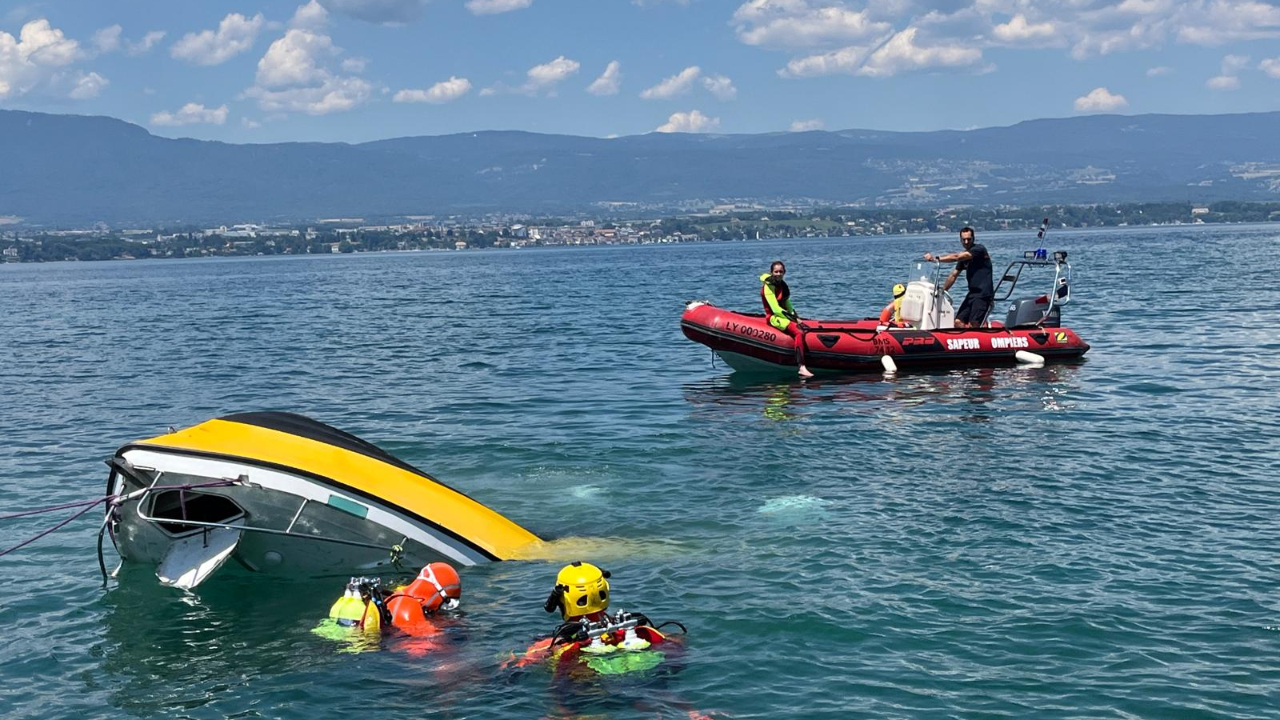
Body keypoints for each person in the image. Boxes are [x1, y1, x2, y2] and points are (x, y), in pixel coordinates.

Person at [507, 561, 683, 676]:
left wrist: (509, 660)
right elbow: (675, 641)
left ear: (560, 600)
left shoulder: (553, 645)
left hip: (588, 685)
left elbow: (523, 663)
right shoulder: (630, 628)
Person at [924, 227, 994, 328]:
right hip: (972, 294)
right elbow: (953, 275)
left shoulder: (979, 249)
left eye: (969, 239)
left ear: (973, 238)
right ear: (960, 240)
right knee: (958, 322)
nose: (966, 242)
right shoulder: (964, 257)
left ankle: (978, 334)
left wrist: (936, 259)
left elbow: (957, 257)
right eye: (963, 239)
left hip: (983, 294)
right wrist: (942, 291)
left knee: (973, 324)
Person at [760, 261, 813, 378]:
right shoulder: (768, 286)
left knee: (803, 327)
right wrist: (793, 320)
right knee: (798, 332)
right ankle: (802, 367)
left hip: (783, 316)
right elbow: (775, 309)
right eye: (776, 271)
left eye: (781, 271)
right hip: (773, 317)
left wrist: (796, 316)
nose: (778, 274)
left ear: (784, 272)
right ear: (771, 272)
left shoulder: (782, 285)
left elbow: (788, 304)